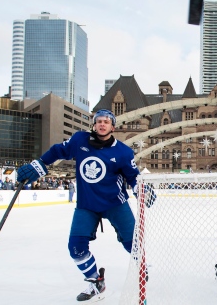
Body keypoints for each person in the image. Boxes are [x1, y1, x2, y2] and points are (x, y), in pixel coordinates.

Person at [17, 109, 155, 302]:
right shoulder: (79, 141)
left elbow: (133, 176)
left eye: (107, 121)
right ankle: (96, 281)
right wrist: (39, 164)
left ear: (112, 127)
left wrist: (142, 191)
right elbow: (58, 151)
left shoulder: (123, 152)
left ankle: (142, 265)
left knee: (132, 243)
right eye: (99, 121)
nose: (102, 124)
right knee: (76, 247)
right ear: (94, 124)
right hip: (87, 205)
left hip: (115, 203)